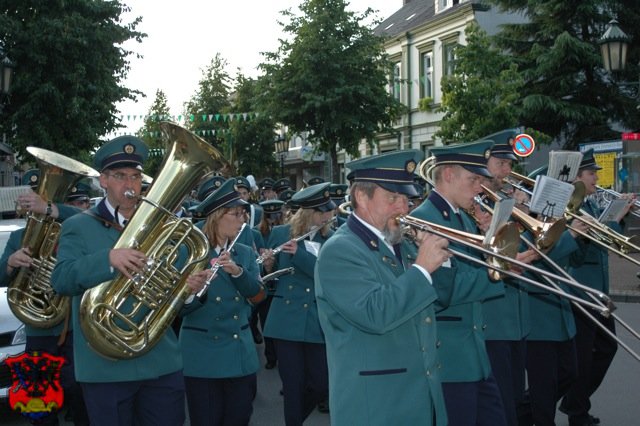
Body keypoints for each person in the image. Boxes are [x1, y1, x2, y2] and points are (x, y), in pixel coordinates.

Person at [51, 135, 209, 426]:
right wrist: (108, 259)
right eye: (120, 176)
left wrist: (186, 293)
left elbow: (173, 305)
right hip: (105, 368)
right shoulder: (79, 226)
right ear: (103, 181)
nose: (130, 185)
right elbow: (61, 279)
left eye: (136, 176)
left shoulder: (164, 230)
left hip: (160, 363)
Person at [315, 150, 454, 425]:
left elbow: (441, 300)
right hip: (375, 404)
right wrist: (422, 269)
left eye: (406, 198)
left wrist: (442, 261)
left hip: (419, 396)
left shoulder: (401, 242)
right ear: (361, 197)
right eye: (392, 198)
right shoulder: (340, 250)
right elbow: (375, 313)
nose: (403, 208)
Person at [410, 140, 508, 426]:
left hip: (474, 355)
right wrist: (499, 270)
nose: (480, 187)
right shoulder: (425, 220)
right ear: (449, 175)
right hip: (449, 359)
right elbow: (445, 290)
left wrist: (491, 238)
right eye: (474, 179)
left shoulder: (463, 219)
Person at [1, 181, 90, 426]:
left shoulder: (70, 226)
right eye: (28, 203)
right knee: (39, 398)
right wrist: (10, 262)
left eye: (37, 201)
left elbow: (88, 214)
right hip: (38, 327)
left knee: (79, 390)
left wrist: (50, 207)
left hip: (72, 324)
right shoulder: (18, 236)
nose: (33, 207)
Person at [179, 178, 264, 426]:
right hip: (202, 356)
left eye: (243, 214)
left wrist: (238, 272)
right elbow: (176, 310)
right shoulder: (188, 252)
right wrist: (190, 291)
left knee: (238, 419)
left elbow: (258, 296)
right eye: (235, 214)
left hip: (239, 356)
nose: (242, 221)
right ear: (217, 216)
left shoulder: (245, 252)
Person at [560, 149, 633, 426]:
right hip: (581, 293)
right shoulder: (573, 207)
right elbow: (578, 253)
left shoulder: (589, 205)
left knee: (604, 349)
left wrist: (619, 215)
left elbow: (611, 243)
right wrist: (612, 220)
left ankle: (574, 403)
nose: (596, 179)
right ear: (577, 177)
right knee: (582, 358)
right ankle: (574, 409)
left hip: (597, 293)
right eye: (591, 174)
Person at [261, 182, 335, 426]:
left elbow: (324, 275)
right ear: (309, 213)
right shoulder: (282, 233)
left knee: (321, 383)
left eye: (329, 212)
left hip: (316, 319)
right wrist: (268, 265)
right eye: (323, 212)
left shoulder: (333, 240)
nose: (328, 216)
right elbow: (273, 277)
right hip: (286, 318)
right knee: (292, 386)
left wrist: (299, 255)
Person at [480, 135, 540, 426]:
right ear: (484, 164)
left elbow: (527, 252)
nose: (507, 171)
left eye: (509, 164)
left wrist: (525, 216)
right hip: (494, 321)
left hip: (518, 320)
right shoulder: (476, 204)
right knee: (500, 406)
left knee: (514, 398)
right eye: (501, 163)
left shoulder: (508, 199)